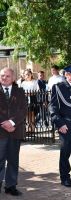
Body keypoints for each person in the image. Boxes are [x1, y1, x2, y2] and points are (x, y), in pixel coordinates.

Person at [0, 67, 27, 196]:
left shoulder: (20, 92)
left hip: (15, 131)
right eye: (2, 76)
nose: (4, 78)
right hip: (0, 132)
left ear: (13, 78)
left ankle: (10, 186)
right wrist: (5, 124)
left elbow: (23, 110)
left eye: (7, 76)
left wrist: (12, 123)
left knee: (13, 160)